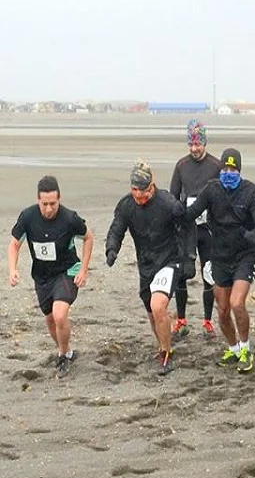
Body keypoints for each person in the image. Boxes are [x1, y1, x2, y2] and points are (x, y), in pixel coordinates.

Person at [185, 148, 255, 374]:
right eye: (225, 168)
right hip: (219, 255)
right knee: (223, 309)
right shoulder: (212, 189)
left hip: (244, 254)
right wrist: (172, 211)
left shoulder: (250, 191)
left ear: (239, 170)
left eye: (233, 169)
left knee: (237, 303)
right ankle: (233, 349)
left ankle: (246, 349)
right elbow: (192, 212)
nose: (228, 172)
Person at [105, 162, 191, 375]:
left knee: (158, 305)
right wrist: (111, 249)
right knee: (153, 314)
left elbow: (188, 227)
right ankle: (163, 343)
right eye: (135, 191)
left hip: (169, 260)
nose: (139, 196)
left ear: (152, 186)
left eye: (143, 191)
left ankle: (166, 355)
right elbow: (117, 229)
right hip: (146, 264)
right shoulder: (126, 205)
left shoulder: (167, 202)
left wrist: (189, 257)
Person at [8, 176, 93, 378]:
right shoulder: (27, 217)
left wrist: (83, 270)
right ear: (38, 200)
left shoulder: (69, 218)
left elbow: (88, 237)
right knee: (50, 320)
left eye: (53, 204)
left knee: (60, 314)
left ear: (59, 199)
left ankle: (62, 356)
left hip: (67, 271)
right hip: (42, 276)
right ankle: (68, 351)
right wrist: (12, 269)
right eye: (44, 204)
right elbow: (14, 245)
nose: (48, 209)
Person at [169, 119, 220, 340]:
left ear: (205, 143)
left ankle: (208, 321)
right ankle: (181, 320)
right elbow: (172, 197)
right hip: (186, 229)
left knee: (208, 272)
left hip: (208, 229)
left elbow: (222, 196)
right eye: (191, 144)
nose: (194, 149)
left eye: (198, 144)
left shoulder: (216, 166)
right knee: (182, 273)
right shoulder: (181, 166)